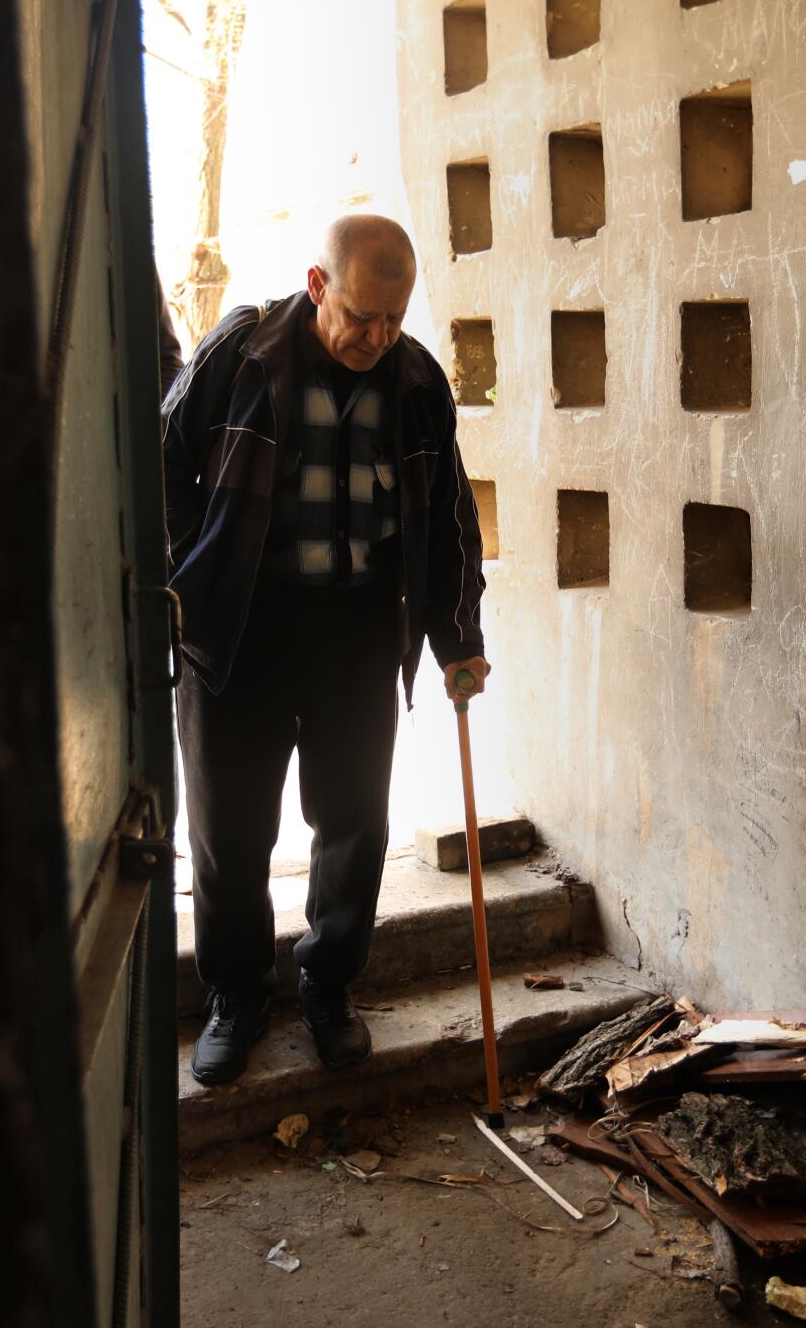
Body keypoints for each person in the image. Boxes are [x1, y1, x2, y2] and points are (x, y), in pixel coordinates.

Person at [161, 214, 489, 1085]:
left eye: (396, 317)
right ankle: (236, 994)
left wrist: (459, 634)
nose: (379, 337)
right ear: (317, 286)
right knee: (229, 827)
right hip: (242, 625)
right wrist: (190, 575)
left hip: (354, 630)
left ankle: (329, 985)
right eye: (362, 315)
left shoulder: (415, 381)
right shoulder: (242, 356)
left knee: (354, 822)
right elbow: (161, 459)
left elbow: (451, 518)